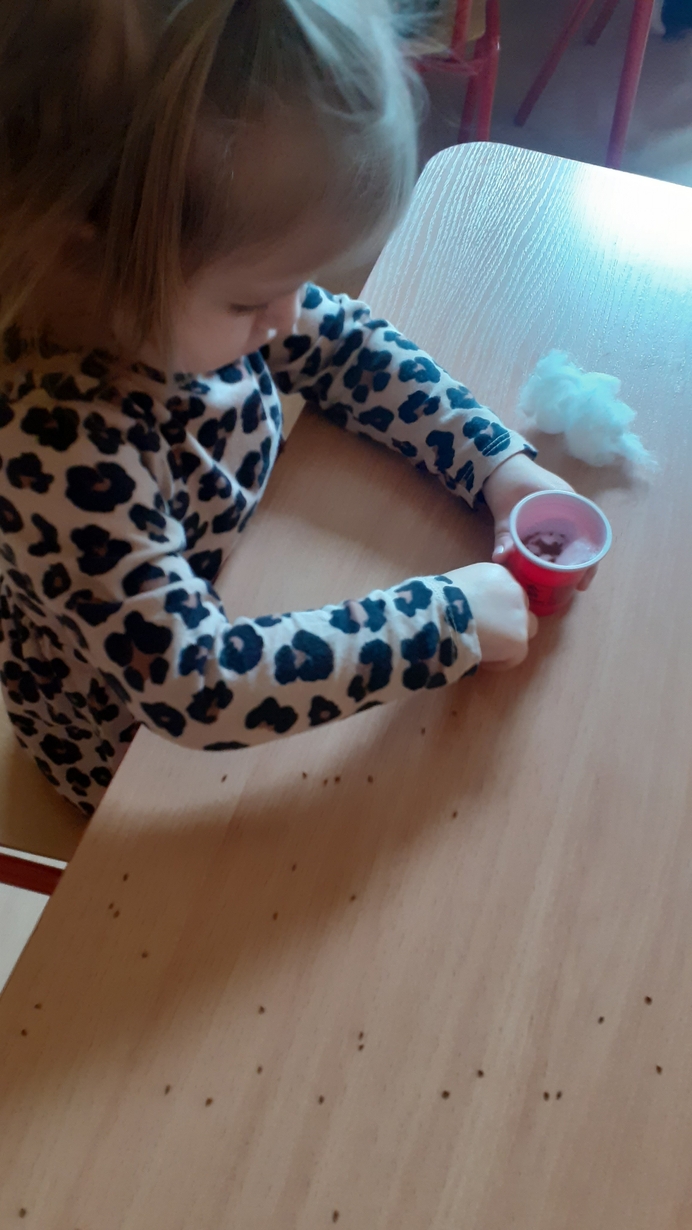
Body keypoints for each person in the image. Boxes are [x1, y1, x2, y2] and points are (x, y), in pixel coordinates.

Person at [0, 0, 588, 818]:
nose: (289, 315)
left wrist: (494, 463)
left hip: (243, 575)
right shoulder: (59, 458)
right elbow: (197, 686)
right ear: (85, 258)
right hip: (128, 754)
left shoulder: (168, 295)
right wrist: (443, 621)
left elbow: (344, 346)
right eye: (251, 300)